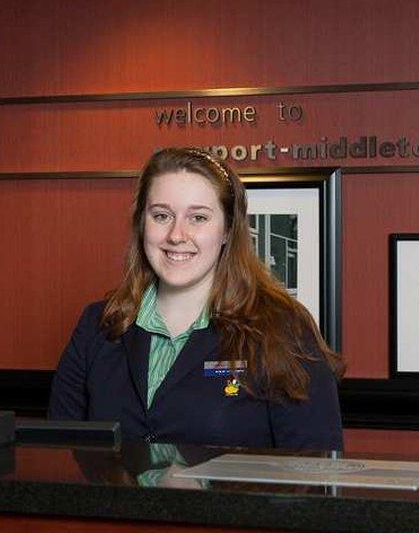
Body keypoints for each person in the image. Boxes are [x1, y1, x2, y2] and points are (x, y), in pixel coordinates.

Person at [48, 147, 344, 450]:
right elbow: (58, 457)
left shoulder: (284, 330)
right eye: (161, 215)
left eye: (198, 217)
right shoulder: (97, 326)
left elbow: (313, 477)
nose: (177, 235)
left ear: (228, 229)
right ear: (141, 224)